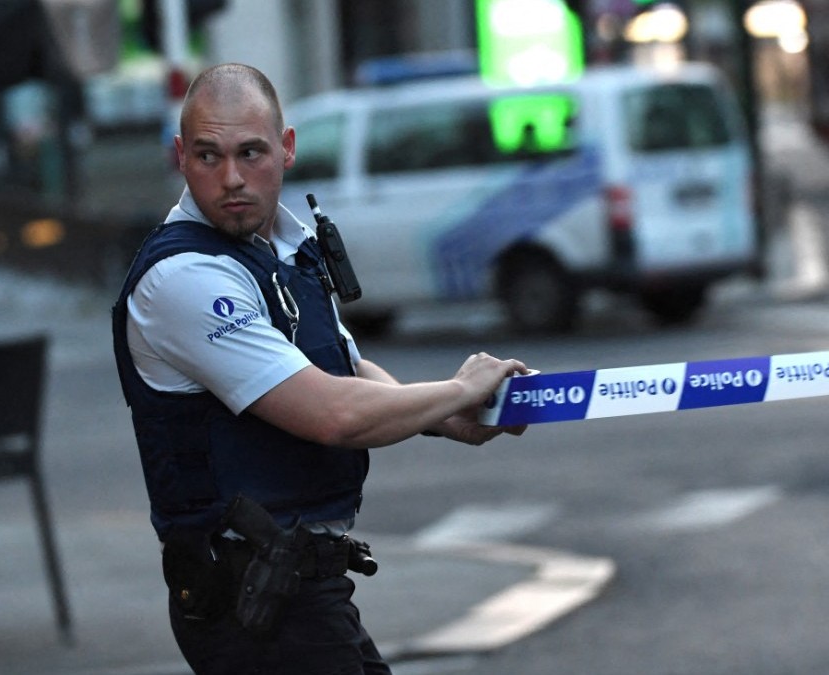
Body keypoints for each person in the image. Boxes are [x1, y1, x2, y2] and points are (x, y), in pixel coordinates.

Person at [111, 63, 529, 674]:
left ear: (287, 149)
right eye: (208, 156)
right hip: (251, 597)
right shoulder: (183, 278)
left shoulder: (281, 244)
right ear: (180, 156)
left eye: (251, 152)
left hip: (297, 588)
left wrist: (444, 415)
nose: (230, 178)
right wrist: (455, 390)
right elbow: (332, 414)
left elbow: (346, 368)